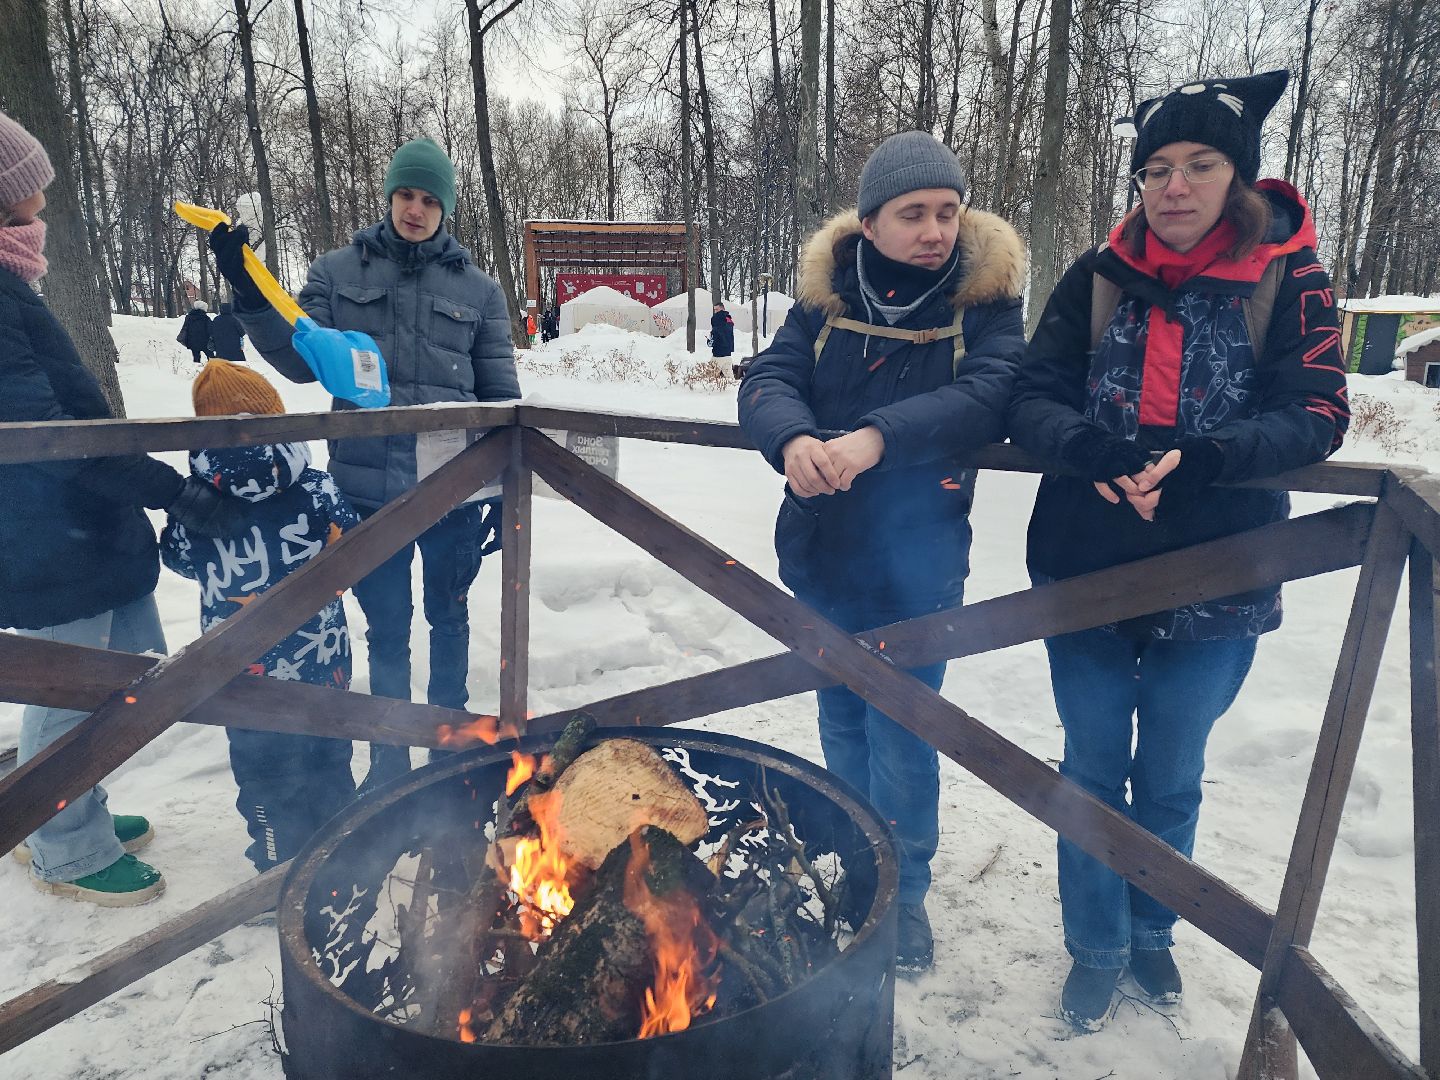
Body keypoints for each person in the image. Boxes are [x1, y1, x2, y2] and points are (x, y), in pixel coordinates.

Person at [1007, 69, 1350, 1029]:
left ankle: (1153, 933)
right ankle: (1095, 944)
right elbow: (1031, 391)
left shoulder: (1290, 278)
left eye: (1200, 164)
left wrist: (1206, 458)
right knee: (1088, 764)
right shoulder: (1096, 275)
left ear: (1237, 175)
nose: (1175, 186)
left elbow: (1319, 410)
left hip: (1222, 573)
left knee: (1170, 770)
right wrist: (1089, 449)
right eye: (1156, 168)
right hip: (1085, 564)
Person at [737, 130, 1025, 971]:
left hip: (920, 564)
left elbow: (992, 394)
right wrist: (791, 440)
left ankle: (904, 896)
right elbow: (767, 378)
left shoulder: (983, 304)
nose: (935, 230)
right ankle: (854, 867)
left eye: (947, 211)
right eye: (913, 214)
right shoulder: (826, 300)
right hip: (823, 556)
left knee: (904, 736)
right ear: (869, 224)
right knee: (839, 717)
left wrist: (872, 440)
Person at [209, 137, 520, 792]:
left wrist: (496, 489)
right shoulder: (334, 273)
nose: (415, 208)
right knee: (386, 629)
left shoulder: (480, 291)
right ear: (388, 197)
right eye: (406, 194)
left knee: (449, 619)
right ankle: (388, 758)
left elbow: (500, 398)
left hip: (453, 492)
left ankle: (450, 747)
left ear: (447, 208)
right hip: (367, 492)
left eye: (430, 199)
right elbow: (297, 357)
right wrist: (249, 294)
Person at [0, 110, 244, 904]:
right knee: (71, 693)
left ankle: (71, 809)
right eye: (33, 186)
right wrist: (171, 490)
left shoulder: (11, 282)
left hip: (80, 528)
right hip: (48, 535)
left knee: (123, 678)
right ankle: (61, 842)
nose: (47, 198)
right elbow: (48, 437)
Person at [161, 361, 359, 871]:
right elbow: (352, 541)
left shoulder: (194, 502)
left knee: (265, 773)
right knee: (329, 757)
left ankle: (277, 870)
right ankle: (345, 857)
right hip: (324, 663)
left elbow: (180, 559)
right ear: (277, 419)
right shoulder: (316, 487)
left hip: (239, 670)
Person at [177, 300, 214, 364]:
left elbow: (185, 328)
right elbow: (211, 329)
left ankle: (197, 371)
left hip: (193, 341)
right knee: (211, 357)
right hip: (205, 341)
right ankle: (214, 369)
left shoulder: (189, 317)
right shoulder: (206, 318)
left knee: (196, 358)